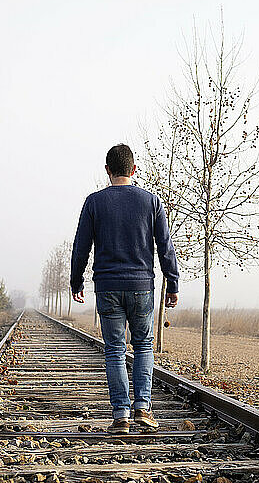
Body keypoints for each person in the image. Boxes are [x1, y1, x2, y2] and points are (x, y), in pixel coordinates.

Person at [70, 144, 179, 434]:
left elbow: (81, 246)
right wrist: (173, 282)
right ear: (133, 169)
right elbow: (165, 247)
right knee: (143, 345)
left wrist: (76, 280)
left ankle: (121, 416)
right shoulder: (151, 201)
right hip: (142, 285)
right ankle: (142, 408)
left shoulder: (94, 202)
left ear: (107, 171)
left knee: (115, 350)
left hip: (107, 286)